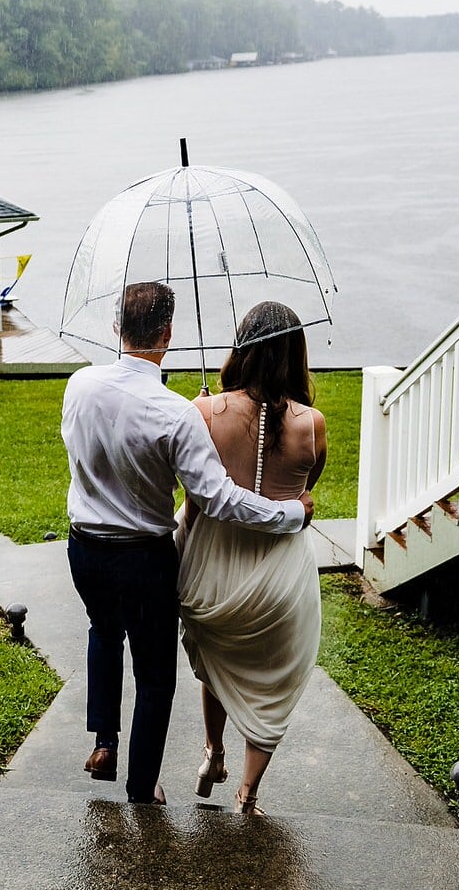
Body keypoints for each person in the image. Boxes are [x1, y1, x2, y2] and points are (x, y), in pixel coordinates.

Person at [61, 282, 314, 805]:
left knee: (103, 633)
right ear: (168, 334)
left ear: (116, 328)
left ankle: (104, 739)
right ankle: (140, 788)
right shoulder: (175, 413)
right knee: (155, 678)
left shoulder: (79, 385)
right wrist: (290, 513)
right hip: (144, 558)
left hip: (84, 548)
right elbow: (220, 499)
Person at [177, 300, 327, 816]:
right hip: (280, 580)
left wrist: (204, 415)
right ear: (295, 354)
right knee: (270, 684)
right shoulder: (313, 425)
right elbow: (305, 494)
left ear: (242, 346)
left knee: (217, 666)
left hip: (213, 575)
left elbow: (196, 496)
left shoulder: (203, 414)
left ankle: (212, 752)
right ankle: (248, 791)